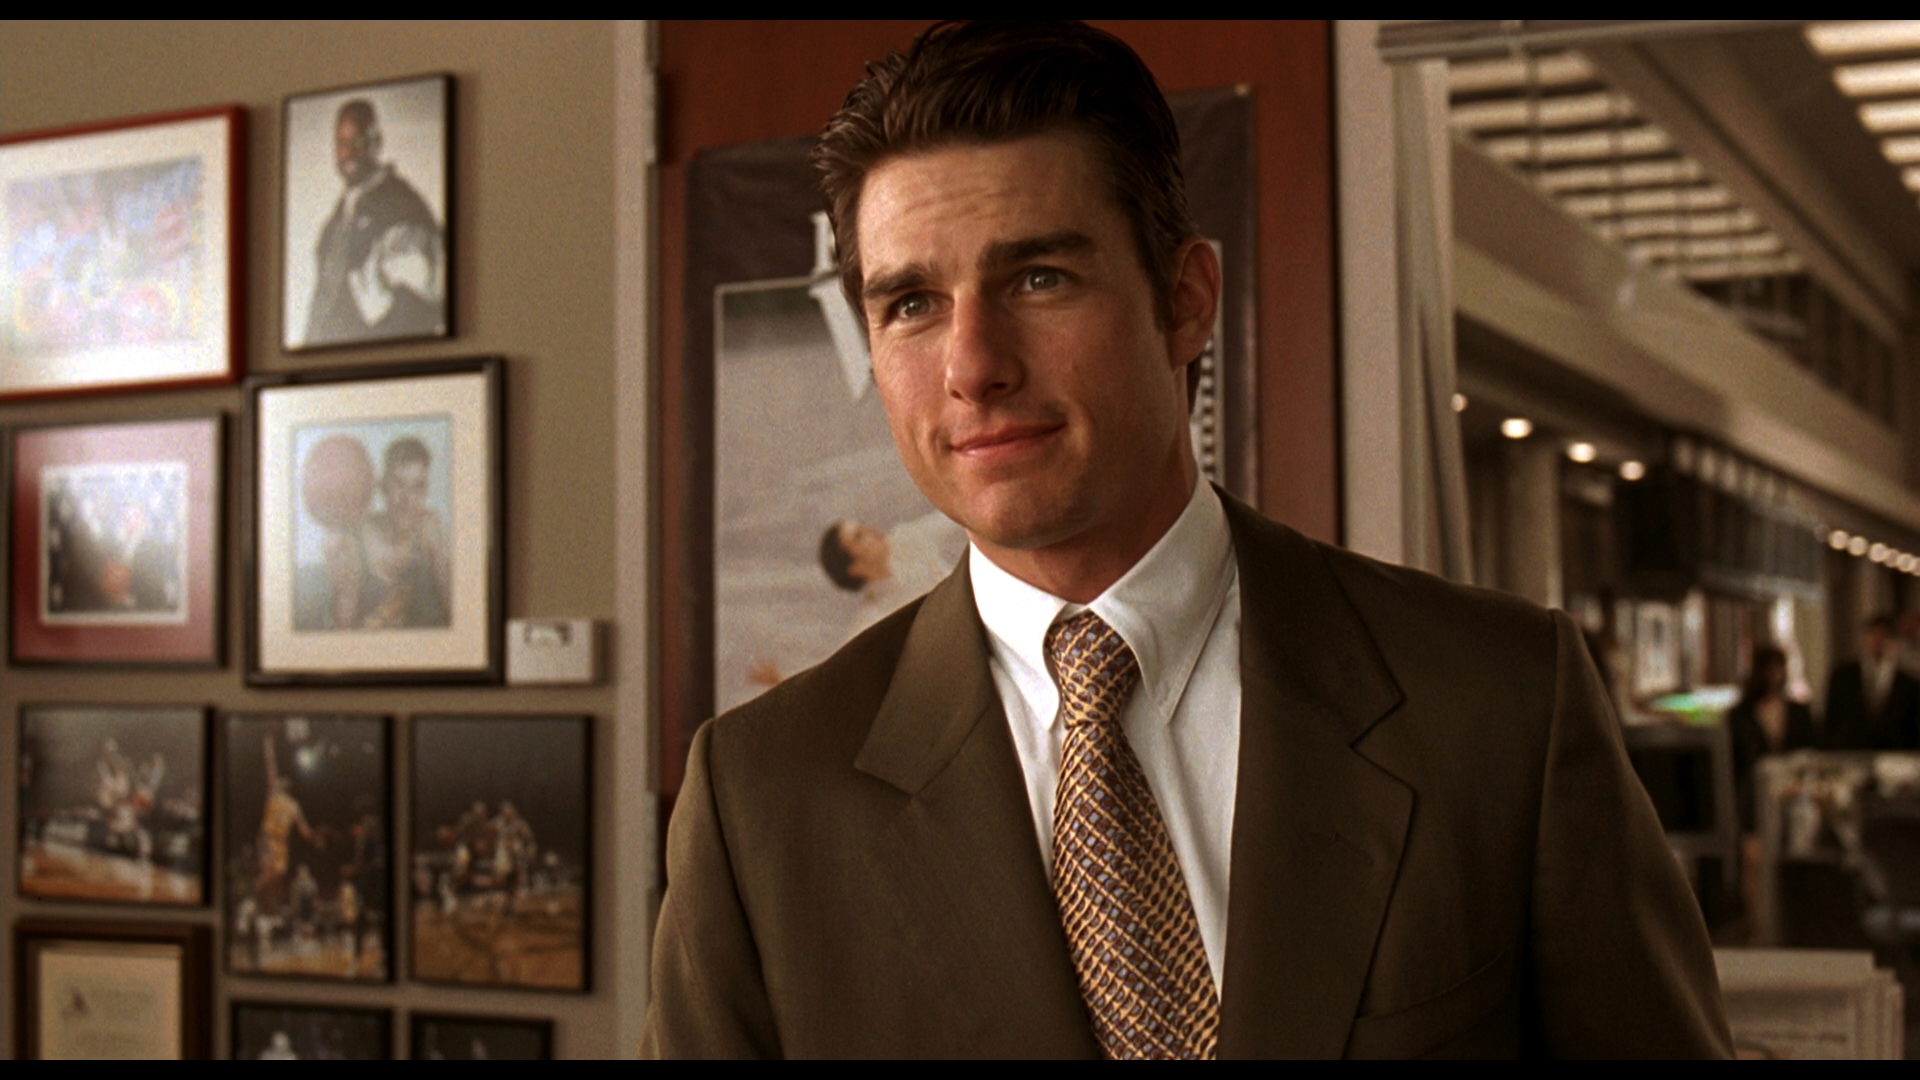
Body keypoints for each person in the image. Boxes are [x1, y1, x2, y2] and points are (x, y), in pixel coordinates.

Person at [641, 22, 1730, 1058]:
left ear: (1186, 300)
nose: (973, 366)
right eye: (913, 304)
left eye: (1038, 278)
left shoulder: (1499, 704)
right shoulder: (762, 799)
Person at [304, 97, 445, 346]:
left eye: (357, 141)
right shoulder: (339, 217)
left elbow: (433, 299)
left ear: (376, 142)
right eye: (341, 143)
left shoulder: (402, 204)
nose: (347, 152)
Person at [322, 437, 452, 630]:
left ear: (426, 490)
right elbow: (342, 630)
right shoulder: (355, 537)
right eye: (399, 484)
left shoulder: (429, 528)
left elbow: (459, 615)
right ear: (382, 486)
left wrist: (439, 556)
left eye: (418, 487)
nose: (407, 500)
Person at [819, 510, 970, 634]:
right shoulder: (873, 623)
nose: (871, 530)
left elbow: (957, 514)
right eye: (859, 536)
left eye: (863, 526)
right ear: (856, 569)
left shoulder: (907, 540)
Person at [1823, 613, 1920, 751]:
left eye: (1883, 637)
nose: (1877, 642)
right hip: (1849, 752)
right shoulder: (1843, 676)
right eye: (1873, 636)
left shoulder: (1908, 683)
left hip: (1894, 754)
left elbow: (1913, 728)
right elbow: (1830, 720)